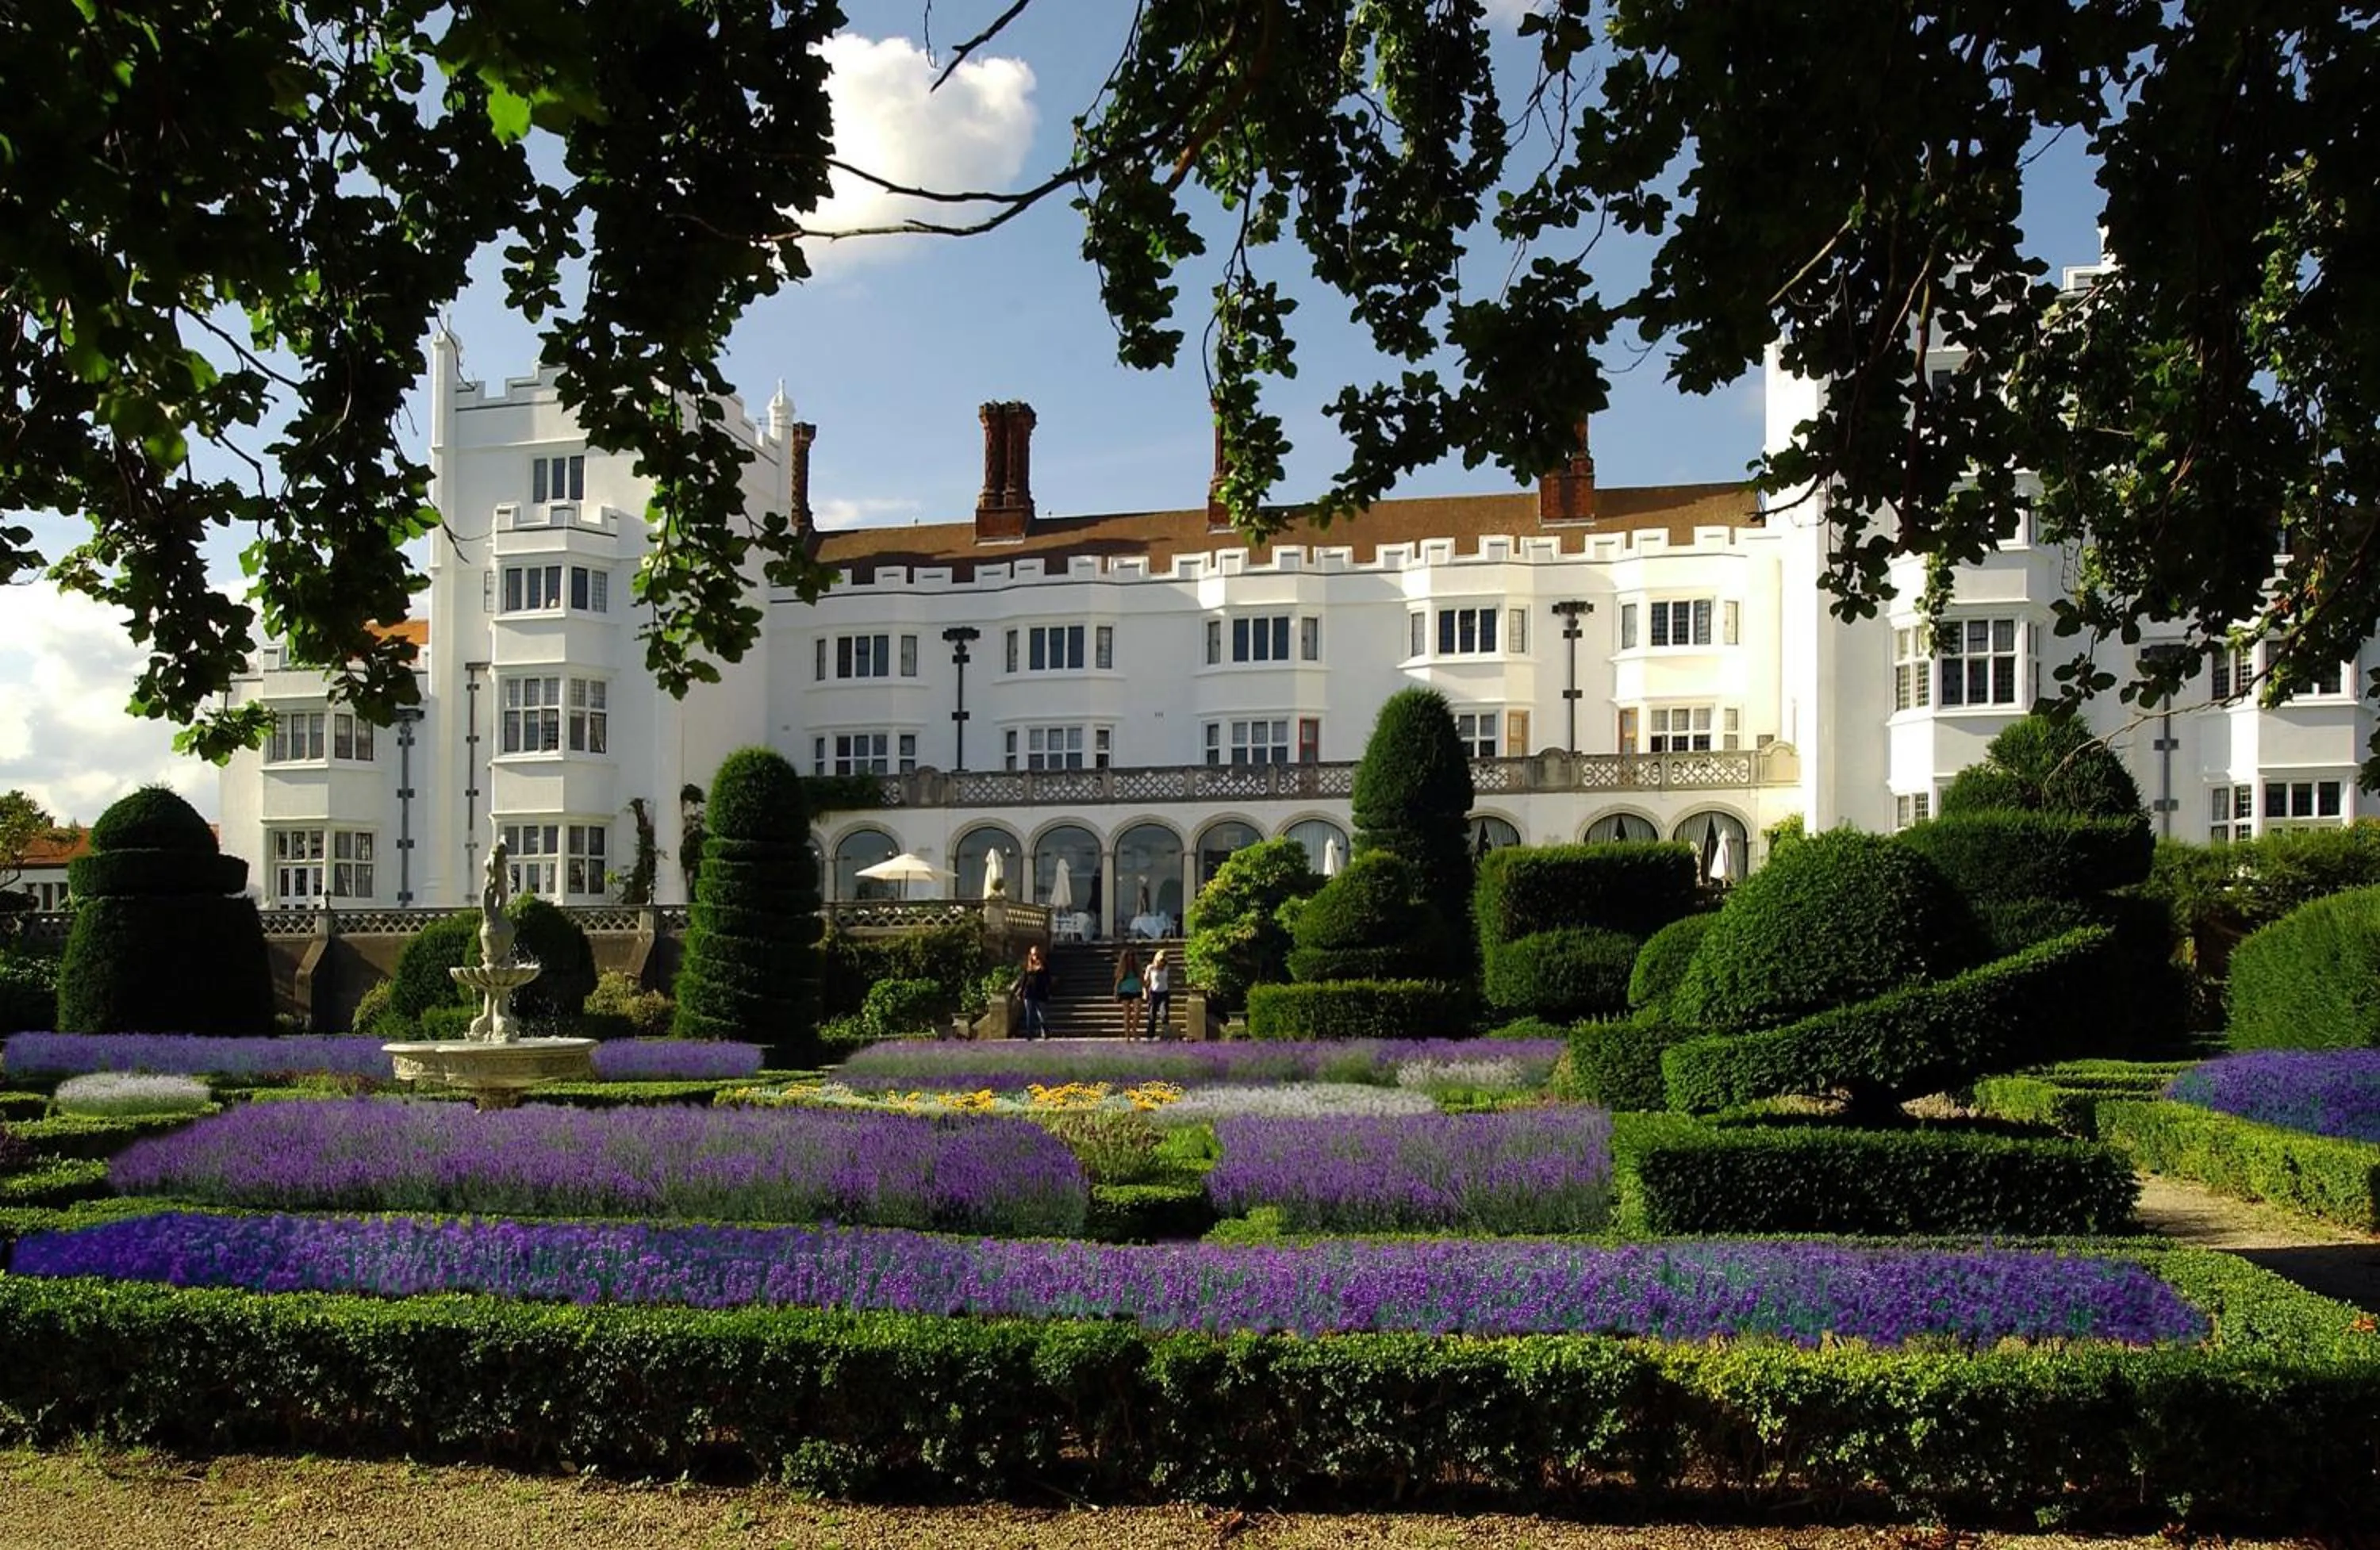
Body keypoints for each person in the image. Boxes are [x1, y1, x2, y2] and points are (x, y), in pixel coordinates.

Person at [1015, 944, 1054, 1040]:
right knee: (1029, 1015)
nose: (1035, 956)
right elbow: (1024, 979)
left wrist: (1049, 991)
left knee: (1042, 1015)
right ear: (1030, 955)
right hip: (1029, 993)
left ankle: (1045, 1032)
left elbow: (1048, 980)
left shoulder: (1044, 965)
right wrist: (1021, 991)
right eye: (1033, 954)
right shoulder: (1028, 966)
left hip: (1040, 992)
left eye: (1036, 954)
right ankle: (1029, 1034)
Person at [1112, 946, 1143, 1041]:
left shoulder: (1137, 968)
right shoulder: (1122, 969)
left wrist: (1146, 988)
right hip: (1125, 991)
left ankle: (1134, 1028)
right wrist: (1116, 994)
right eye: (1128, 956)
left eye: (1132, 955)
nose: (1130, 958)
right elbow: (1117, 983)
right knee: (1127, 1014)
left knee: (1138, 1010)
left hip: (1136, 989)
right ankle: (1127, 1036)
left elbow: (1142, 979)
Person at [1142, 949, 1172, 1042]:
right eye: (1161, 961)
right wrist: (1145, 992)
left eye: (1164, 961)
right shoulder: (1151, 968)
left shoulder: (1167, 967)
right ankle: (1150, 1036)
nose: (1162, 963)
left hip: (1164, 992)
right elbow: (1145, 981)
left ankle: (1165, 1035)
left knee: (1164, 1014)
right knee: (1152, 1015)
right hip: (1154, 993)